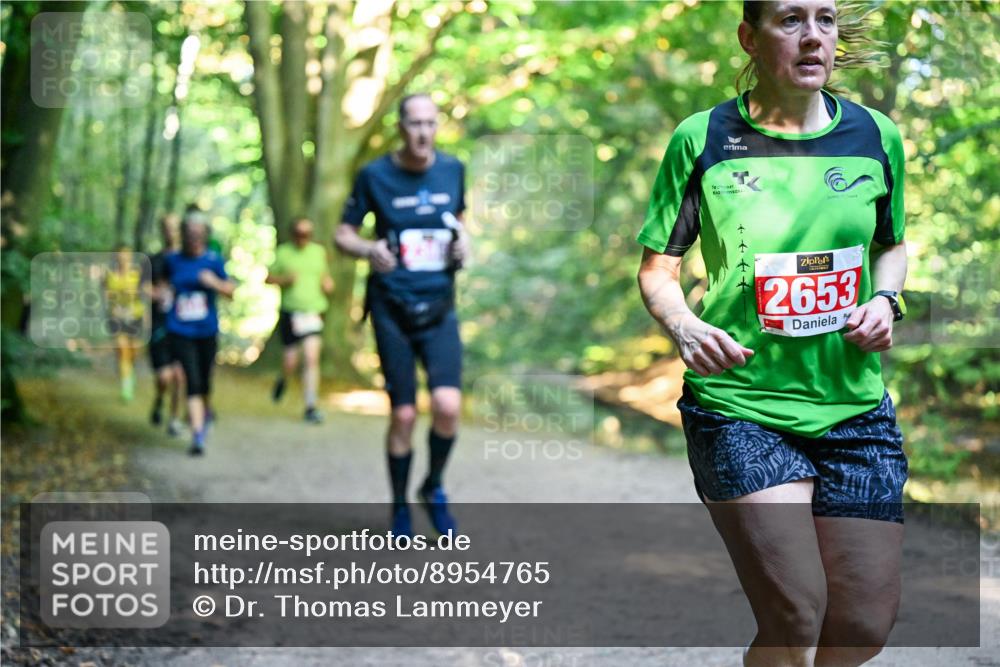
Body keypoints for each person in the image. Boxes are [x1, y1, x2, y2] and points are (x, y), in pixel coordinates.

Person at [636, 2, 907, 666]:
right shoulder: (702, 139)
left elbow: (892, 245)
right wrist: (683, 324)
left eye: (825, 19)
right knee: (796, 611)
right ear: (749, 39)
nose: (813, 36)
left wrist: (885, 297)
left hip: (854, 408)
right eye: (790, 20)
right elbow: (657, 270)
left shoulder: (876, 135)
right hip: (741, 405)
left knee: (863, 626)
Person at [335, 93, 470, 538]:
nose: (423, 132)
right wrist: (368, 248)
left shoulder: (453, 170)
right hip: (391, 306)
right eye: (414, 123)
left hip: (439, 306)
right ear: (400, 127)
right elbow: (342, 234)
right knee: (405, 415)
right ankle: (398, 506)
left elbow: (459, 222)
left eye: (430, 123)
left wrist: (463, 245)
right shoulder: (375, 175)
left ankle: (432, 487)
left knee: (448, 406)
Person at [163, 207, 236, 455]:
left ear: (205, 235)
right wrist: (162, 295)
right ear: (183, 234)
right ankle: (197, 435)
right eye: (189, 232)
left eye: (199, 233)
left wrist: (213, 282)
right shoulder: (172, 260)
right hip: (180, 330)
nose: (194, 237)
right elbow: (158, 287)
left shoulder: (213, 260)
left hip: (206, 331)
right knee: (191, 380)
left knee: (204, 381)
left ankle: (205, 412)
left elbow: (230, 291)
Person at [266, 216, 334, 423]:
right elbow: (268, 278)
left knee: (312, 359)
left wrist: (328, 284)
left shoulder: (318, 252)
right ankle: (283, 379)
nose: (303, 238)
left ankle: (311, 406)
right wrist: (285, 280)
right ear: (293, 234)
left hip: (313, 311)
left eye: (307, 234)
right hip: (291, 312)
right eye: (299, 233)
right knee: (290, 361)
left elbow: (325, 277)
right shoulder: (284, 252)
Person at [147, 213, 184, 436]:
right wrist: (155, 294)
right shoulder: (153, 260)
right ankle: (160, 399)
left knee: (180, 375)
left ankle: (174, 419)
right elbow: (142, 287)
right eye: (167, 228)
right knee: (164, 377)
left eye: (175, 228)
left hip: (182, 327)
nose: (171, 232)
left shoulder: (189, 261)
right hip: (159, 326)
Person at [104, 245, 145, 403]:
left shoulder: (136, 274)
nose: (123, 257)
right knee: (122, 350)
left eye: (126, 254)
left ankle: (130, 372)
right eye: (120, 254)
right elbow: (107, 295)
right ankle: (126, 386)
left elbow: (143, 293)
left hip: (135, 317)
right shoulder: (111, 275)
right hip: (117, 318)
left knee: (134, 351)